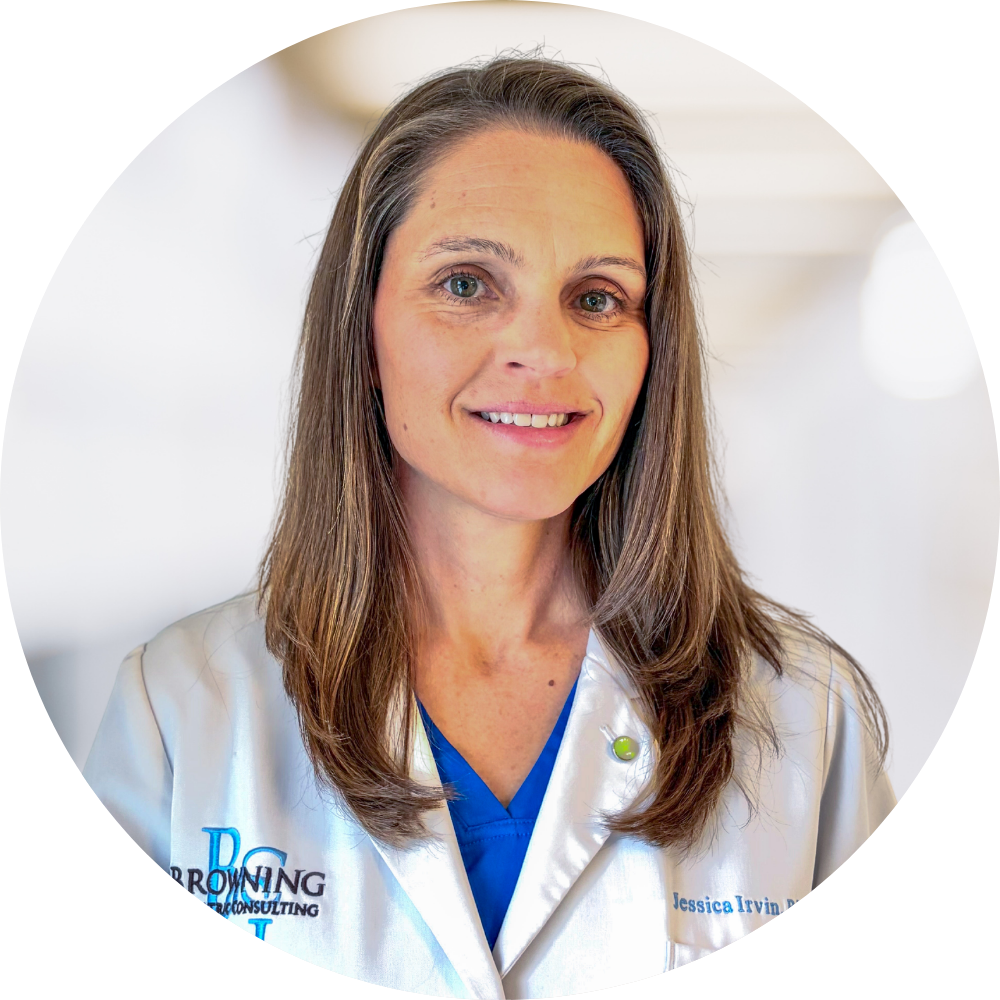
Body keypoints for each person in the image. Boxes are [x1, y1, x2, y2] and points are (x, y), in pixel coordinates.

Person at [84, 56, 895, 997]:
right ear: (363, 332)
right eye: (467, 284)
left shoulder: (801, 716)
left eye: (597, 298)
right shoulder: (181, 711)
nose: (544, 351)